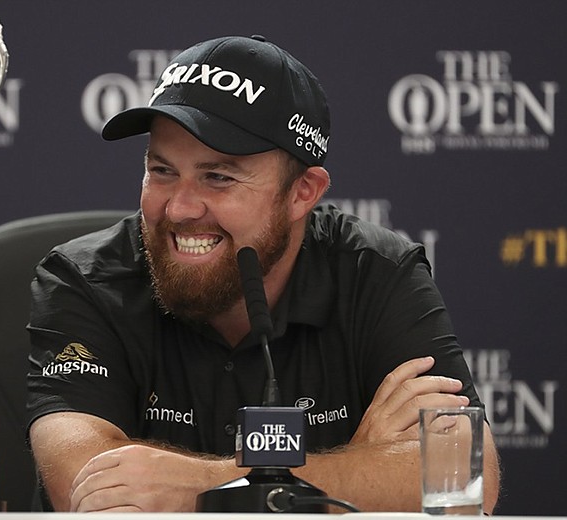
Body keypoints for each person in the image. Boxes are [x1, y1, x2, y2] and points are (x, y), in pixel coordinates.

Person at [26, 35, 500, 513]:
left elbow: (465, 480)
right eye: (162, 170)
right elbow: (88, 490)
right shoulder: (82, 279)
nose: (180, 207)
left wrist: (197, 484)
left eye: (219, 177)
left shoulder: (376, 272)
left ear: (302, 193)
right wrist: (357, 463)